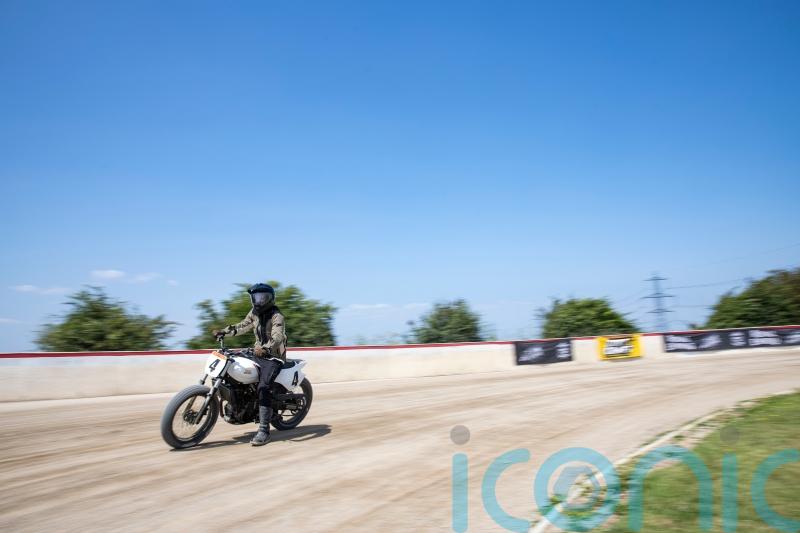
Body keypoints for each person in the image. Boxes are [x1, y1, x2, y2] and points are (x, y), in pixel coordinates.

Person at [213, 283, 286, 446]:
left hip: (273, 357)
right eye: (256, 297)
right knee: (232, 364)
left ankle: (264, 430)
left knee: (263, 387)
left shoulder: (277, 315)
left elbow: (278, 337)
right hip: (257, 353)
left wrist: (266, 349)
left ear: (270, 298)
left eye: (262, 297)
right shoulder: (254, 313)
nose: (258, 301)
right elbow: (242, 326)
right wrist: (224, 331)